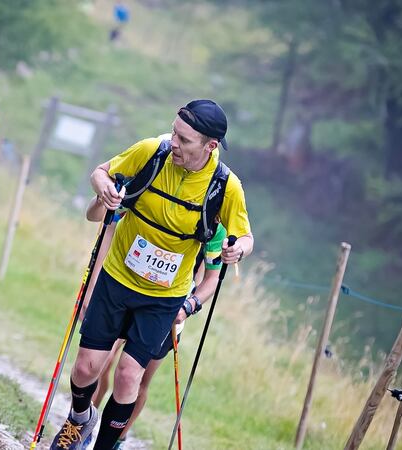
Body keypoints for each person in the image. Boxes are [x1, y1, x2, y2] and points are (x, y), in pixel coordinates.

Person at [50, 99, 253, 449]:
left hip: (163, 297)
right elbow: (101, 170)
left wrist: (238, 250)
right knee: (86, 369)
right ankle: (79, 420)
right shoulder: (151, 152)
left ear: (210, 145)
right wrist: (103, 187)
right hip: (117, 279)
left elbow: (246, 237)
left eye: (184, 139)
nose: (174, 142)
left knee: (130, 376)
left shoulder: (225, 186)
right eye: (174, 132)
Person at [81, 200, 227, 449]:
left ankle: (117, 438)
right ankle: (83, 426)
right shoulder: (160, 194)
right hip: (126, 292)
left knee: (136, 379)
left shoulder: (212, 222)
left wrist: (188, 306)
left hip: (166, 309)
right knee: (101, 364)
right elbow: (108, 220)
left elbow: (207, 276)